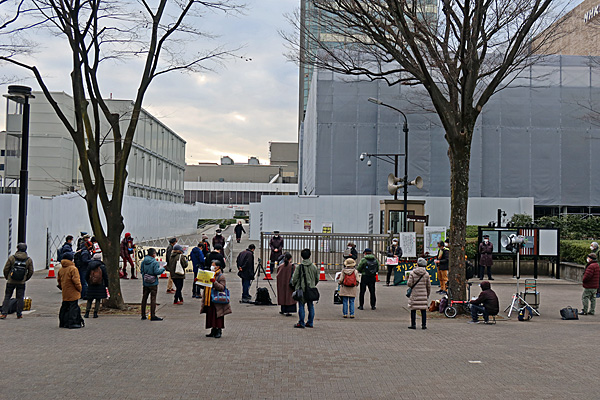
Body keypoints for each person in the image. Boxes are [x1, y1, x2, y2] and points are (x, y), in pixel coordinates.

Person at [0, 243, 34, 320]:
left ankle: (4, 313)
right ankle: (19, 314)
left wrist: (7, 277)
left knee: (7, 296)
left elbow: (6, 269)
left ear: (17, 249)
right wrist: (25, 278)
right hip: (21, 282)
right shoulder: (28, 260)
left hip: (11, 281)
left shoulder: (12, 258)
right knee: (20, 298)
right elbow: (31, 271)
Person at [200, 260, 232, 338]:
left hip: (217, 299)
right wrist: (199, 282)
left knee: (218, 315)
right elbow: (205, 285)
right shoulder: (209, 274)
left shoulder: (221, 276)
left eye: (213, 265)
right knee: (211, 314)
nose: (212, 267)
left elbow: (221, 287)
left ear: (218, 267)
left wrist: (214, 282)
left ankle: (219, 330)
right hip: (209, 299)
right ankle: (213, 329)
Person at [291, 248, 319, 328]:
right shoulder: (314, 267)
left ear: (302, 256)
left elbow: (294, 278)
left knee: (301, 306)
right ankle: (310, 322)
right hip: (311, 289)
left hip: (301, 289)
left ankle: (301, 322)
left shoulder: (299, 267)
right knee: (311, 306)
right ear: (310, 256)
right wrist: (313, 284)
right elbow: (317, 278)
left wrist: (294, 285)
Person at [57, 252, 83, 329]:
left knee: (65, 307)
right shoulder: (73, 269)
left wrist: (62, 287)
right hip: (73, 291)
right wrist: (80, 288)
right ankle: (73, 322)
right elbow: (76, 281)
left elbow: (59, 281)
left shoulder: (61, 269)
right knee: (73, 307)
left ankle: (63, 322)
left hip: (65, 291)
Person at [140, 248, 166, 321]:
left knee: (144, 298)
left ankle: (143, 315)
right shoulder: (154, 262)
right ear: (153, 254)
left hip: (145, 282)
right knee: (153, 299)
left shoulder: (143, 261)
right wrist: (163, 269)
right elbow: (156, 272)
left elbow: (142, 271)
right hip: (153, 283)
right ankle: (153, 315)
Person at [407, 258, 431, 329]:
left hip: (415, 294)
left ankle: (413, 324)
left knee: (413, 309)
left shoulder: (412, 273)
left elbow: (409, 284)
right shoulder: (426, 274)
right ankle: (424, 325)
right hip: (423, 294)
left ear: (417, 264)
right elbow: (428, 286)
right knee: (423, 310)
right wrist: (427, 294)